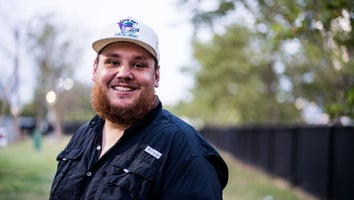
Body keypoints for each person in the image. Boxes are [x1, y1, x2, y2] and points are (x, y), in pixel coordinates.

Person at [49, 16, 228, 200]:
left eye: (139, 65)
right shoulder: (82, 135)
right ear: (95, 69)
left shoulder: (186, 153)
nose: (124, 74)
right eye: (113, 62)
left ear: (156, 76)